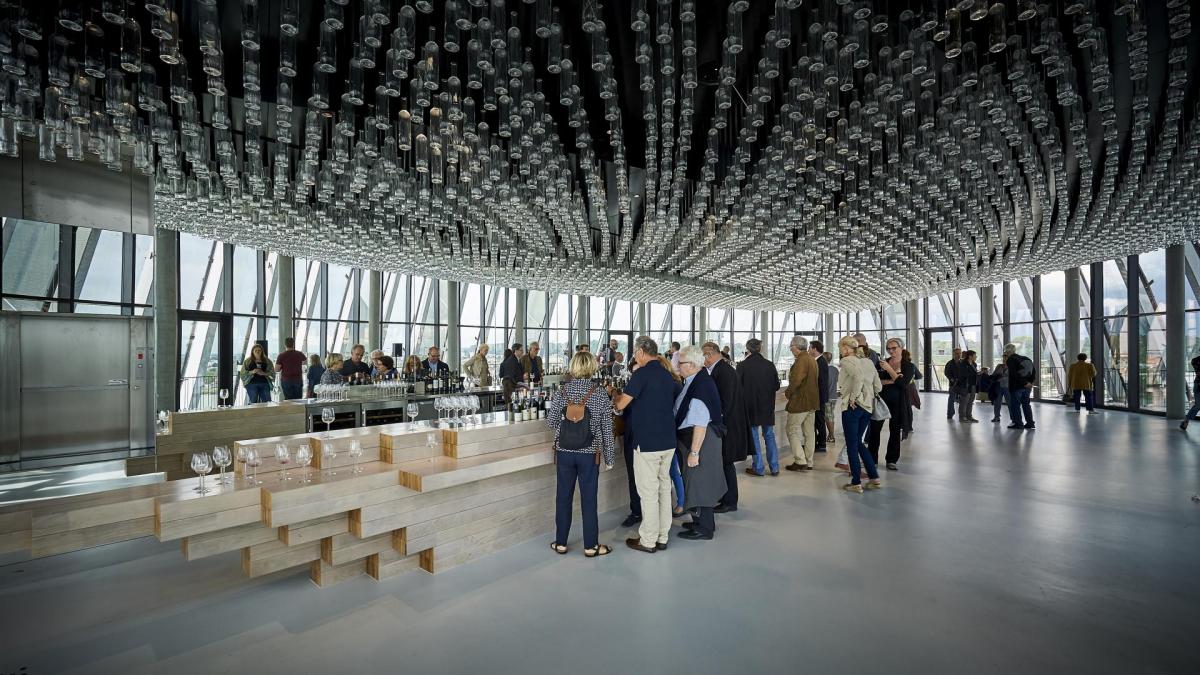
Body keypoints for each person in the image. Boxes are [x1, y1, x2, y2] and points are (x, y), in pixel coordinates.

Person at [610, 336, 679, 554]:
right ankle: (662, 535)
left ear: (640, 352)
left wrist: (614, 394)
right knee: (664, 488)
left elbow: (621, 404)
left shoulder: (641, 375)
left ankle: (648, 539)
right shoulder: (669, 376)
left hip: (646, 442)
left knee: (648, 492)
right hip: (668, 440)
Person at [546, 351, 615, 557]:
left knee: (563, 497)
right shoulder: (600, 392)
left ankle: (560, 543)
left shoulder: (562, 391)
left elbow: (550, 422)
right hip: (589, 454)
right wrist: (609, 458)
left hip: (564, 453)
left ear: (573, 367)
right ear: (592, 367)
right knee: (589, 499)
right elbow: (606, 428)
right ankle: (591, 546)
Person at [673, 346, 727, 541]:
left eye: (681, 363)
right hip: (695, 438)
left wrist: (694, 452)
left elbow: (700, 423)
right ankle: (700, 521)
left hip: (700, 440)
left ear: (693, 365)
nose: (678, 367)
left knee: (700, 483)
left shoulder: (700, 385)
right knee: (696, 482)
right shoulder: (696, 380)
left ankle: (704, 528)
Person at [702, 342, 750, 513]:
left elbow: (724, 401)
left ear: (709, 354)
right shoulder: (723, 369)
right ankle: (726, 497)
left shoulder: (722, 372)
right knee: (724, 463)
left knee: (726, 463)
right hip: (728, 424)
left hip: (727, 426)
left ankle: (729, 500)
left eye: (704, 355)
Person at [838, 336, 882, 493]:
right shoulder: (869, 362)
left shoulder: (847, 361)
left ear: (845, 347)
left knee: (852, 444)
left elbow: (858, 377)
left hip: (853, 407)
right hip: (867, 408)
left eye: (840, 347)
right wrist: (866, 396)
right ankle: (874, 478)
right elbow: (878, 386)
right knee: (858, 442)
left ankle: (856, 482)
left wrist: (853, 397)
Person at [737, 338, 782, 477]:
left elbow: (738, 387)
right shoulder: (769, 365)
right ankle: (774, 467)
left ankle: (759, 467)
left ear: (748, 349)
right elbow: (776, 386)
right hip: (767, 406)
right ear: (760, 348)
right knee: (769, 435)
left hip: (750, 407)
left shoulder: (742, 366)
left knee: (754, 437)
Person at [875, 338, 916, 470]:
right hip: (881, 400)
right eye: (888, 348)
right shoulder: (881, 363)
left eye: (894, 348)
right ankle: (872, 458)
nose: (891, 351)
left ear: (901, 348)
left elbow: (903, 384)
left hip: (898, 401)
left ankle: (891, 460)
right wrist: (895, 378)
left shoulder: (908, 366)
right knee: (875, 429)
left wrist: (889, 371)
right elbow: (875, 381)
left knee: (895, 430)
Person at [784, 336, 820, 472]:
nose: (790, 349)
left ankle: (800, 460)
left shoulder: (801, 360)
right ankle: (809, 461)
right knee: (809, 432)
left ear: (795, 347)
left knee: (791, 430)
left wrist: (787, 393)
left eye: (791, 346)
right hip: (812, 402)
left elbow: (796, 380)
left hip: (800, 402)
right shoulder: (812, 359)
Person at [1004, 343, 1036, 429]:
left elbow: (1014, 374)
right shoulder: (1026, 358)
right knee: (1026, 404)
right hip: (1027, 387)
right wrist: (1030, 382)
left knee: (1015, 405)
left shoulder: (1010, 359)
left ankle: (1018, 424)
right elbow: (1033, 371)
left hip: (1017, 387)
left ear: (1007, 351)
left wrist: (1024, 383)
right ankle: (1030, 423)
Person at [811, 340, 829, 453]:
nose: (808, 350)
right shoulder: (819, 361)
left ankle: (821, 444)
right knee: (817, 421)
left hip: (819, 397)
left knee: (819, 421)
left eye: (810, 348)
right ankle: (818, 442)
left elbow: (821, 382)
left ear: (815, 349)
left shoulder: (820, 362)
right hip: (819, 397)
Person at [955, 350, 980, 423]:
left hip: (973, 385)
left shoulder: (974, 364)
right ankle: (962, 417)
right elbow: (963, 375)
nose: (976, 357)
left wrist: (979, 373)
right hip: (966, 385)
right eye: (975, 356)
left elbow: (973, 373)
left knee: (970, 401)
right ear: (970, 356)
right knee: (964, 401)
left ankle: (969, 416)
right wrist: (975, 373)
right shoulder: (963, 364)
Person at [1181, 356, 1200, 430]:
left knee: (1198, 405)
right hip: (1198, 385)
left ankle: (1185, 421)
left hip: (1197, 384)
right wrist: (1197, 370)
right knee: (1198, 405)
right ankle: (1186, 421)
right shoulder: (1196, 360)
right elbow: (1193, 361)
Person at [944, 348, 963, 419]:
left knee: (962, 399)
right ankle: (950, 414)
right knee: (951, 398)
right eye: (957, 353)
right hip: (953, 384)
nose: (959, 355)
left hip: (962, 384)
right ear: (953, 354)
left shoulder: (963, 363)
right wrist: (952, 380)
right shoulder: (950, 363)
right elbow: (947, 373)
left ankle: (962, 414)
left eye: (959, 353)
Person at [825, 352, 839, 445]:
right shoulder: (835, 369)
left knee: (828, 416)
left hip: (827, 397)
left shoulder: (824, 369)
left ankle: (831, 436)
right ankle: (830, 435)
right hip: (834, 396)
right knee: (830, 415)